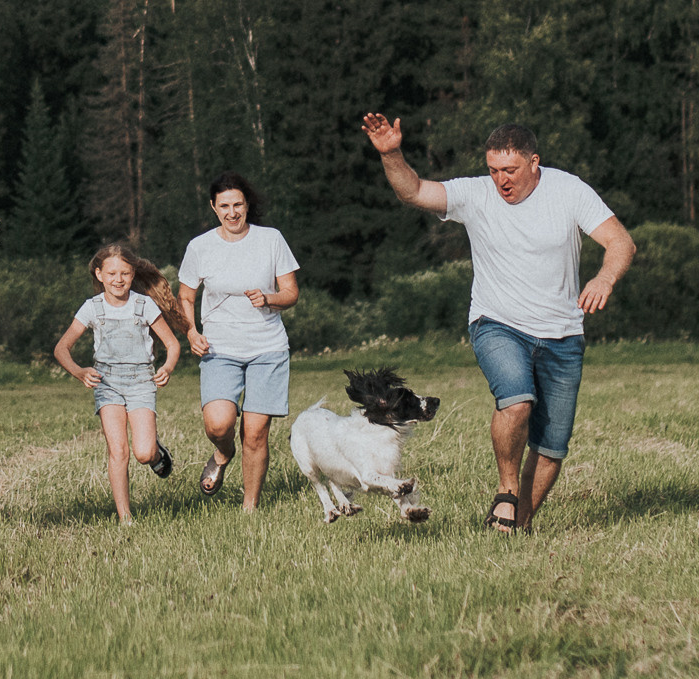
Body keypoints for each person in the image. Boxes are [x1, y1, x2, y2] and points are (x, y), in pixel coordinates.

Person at [359, 115, 635, 532]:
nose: (501, 180)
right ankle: (506, 492)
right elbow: (413, 191)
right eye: (493, 170)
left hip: (562, 333)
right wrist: (391, 153)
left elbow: (621, 241)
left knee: (551, 447)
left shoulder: (569, 190)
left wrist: (604, 277)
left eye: (510, 170)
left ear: (534, 162)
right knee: (517, 400)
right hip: (497, 323)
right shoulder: (476, 194)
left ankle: (514, 525)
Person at [176, 172, 301, 508]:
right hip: (219, 348)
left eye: (238, 205)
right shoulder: (200, 246)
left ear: (247, 205)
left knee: (256, 433)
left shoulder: (271, 239)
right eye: (225, 206)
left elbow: (291, 293)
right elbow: (185, 297)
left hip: (267, 348)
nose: (232, 212)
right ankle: (222, 451)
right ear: (214, 208)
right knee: (219, 424)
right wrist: (191, 332)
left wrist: (269, 299)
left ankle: (249, 508)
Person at [51, 241, 185, 525]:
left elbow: (172, 344)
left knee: (143, 452)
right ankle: (125, 517)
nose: (118, 280)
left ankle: (157, 452)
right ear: (99, 275)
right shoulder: (92, 308)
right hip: (107, 382)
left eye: (124, 273)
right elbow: (62, 348)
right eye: (111, 274)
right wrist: (79, 371)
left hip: (141, 382)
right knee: (118, 450)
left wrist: (167, 367)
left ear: (133, 274)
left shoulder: (144, 305)